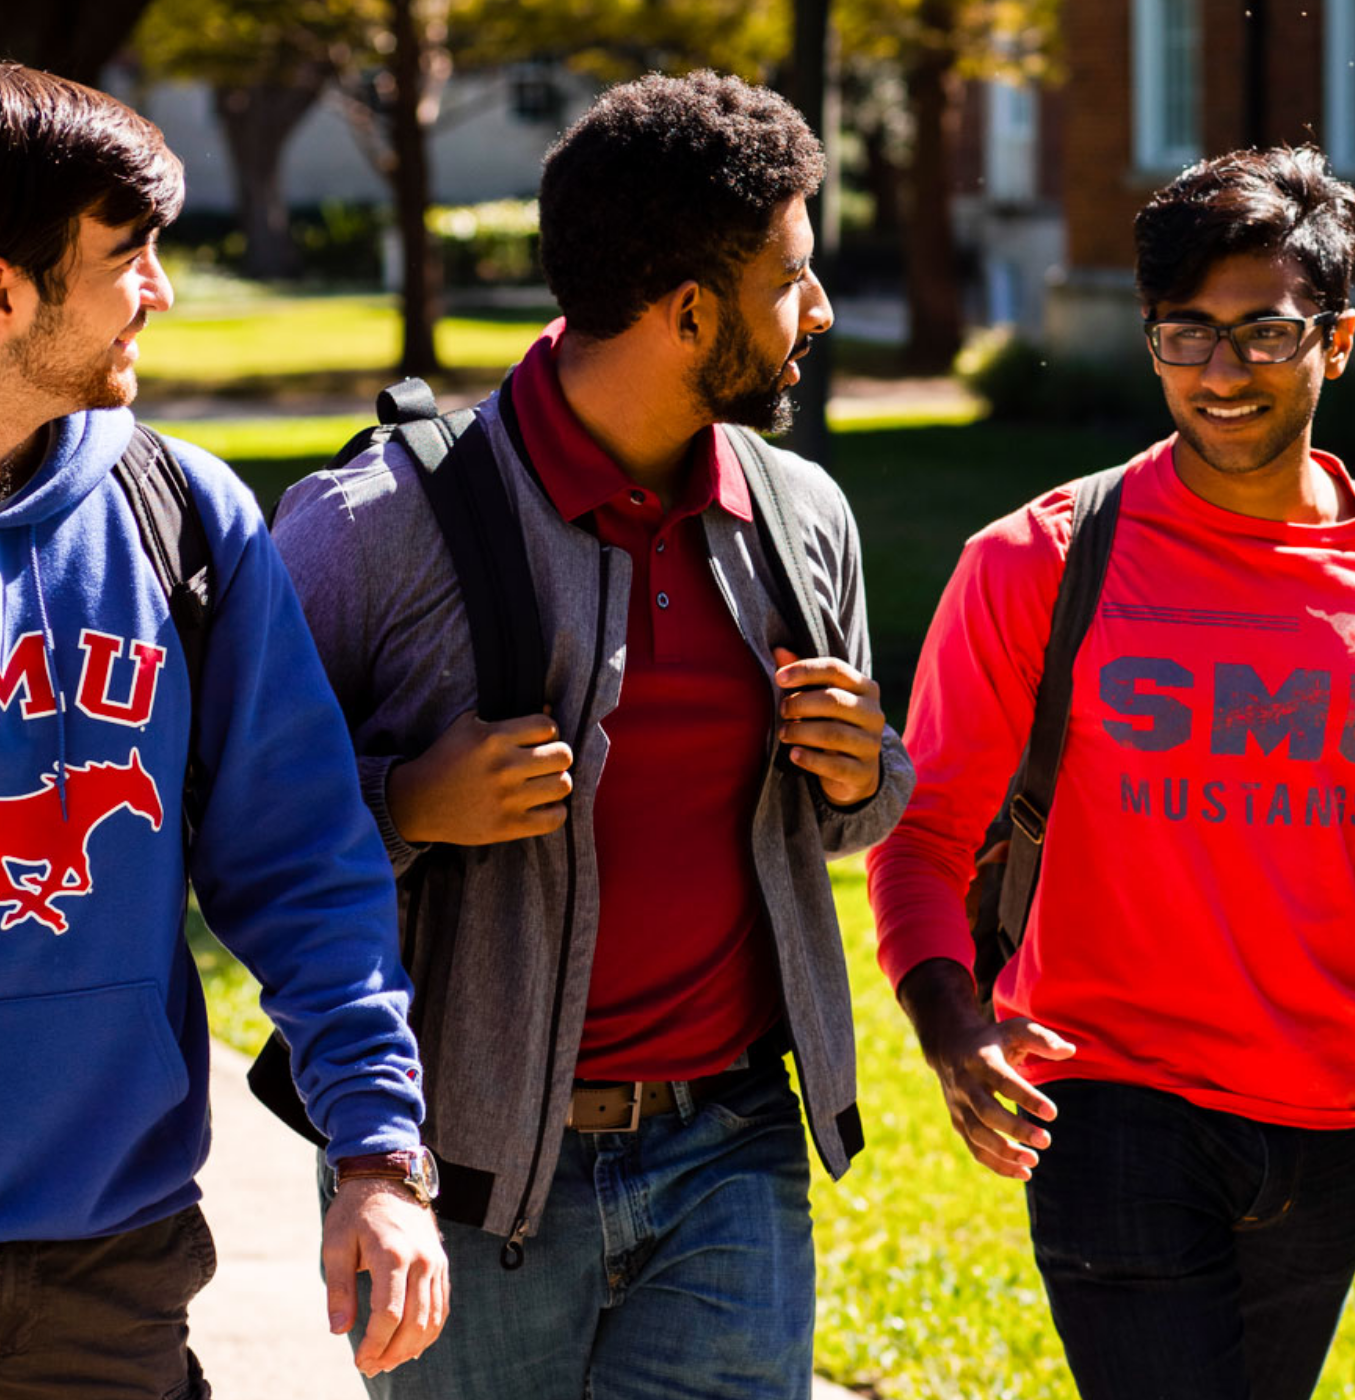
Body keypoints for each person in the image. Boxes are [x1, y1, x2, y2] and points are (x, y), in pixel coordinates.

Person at [863, 145, 1355, 1400]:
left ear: (1336, 339)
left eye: (1262, 331)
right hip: (1108, 1097)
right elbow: (922, 833)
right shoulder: (1036, 560)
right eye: (1182, 334)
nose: (1219, 372)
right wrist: (946, 1018)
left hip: (1322, 1104)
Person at [272, 70, 912, 1400]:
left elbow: (848, 820)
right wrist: (406, 802)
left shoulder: (802, 518)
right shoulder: (371, 530)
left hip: (732, 1148)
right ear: (688, 310)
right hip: (477, 1167)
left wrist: (868, 768)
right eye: (792, 278)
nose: (821, 314)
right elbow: (240, 830)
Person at [0, 56, 447, 1399]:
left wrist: (378, 1153)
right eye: (130, 256)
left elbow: (302, 862)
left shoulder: (181, 517)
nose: (161, 292)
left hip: (118, 1257)